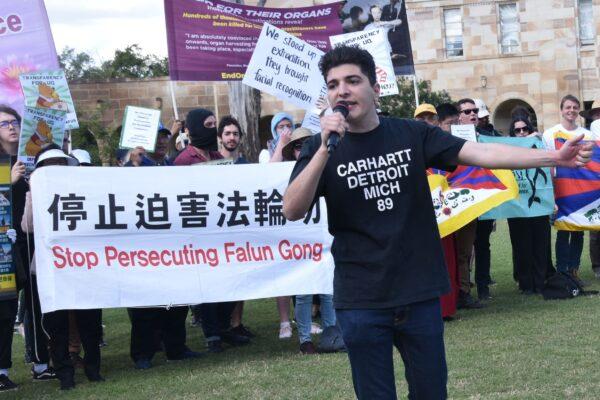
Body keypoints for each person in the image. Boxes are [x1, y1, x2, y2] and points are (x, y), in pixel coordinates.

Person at [282, 45, 592, 400]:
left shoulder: (412, 134)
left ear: (375, 88)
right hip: (362, 298)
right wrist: (324, 148)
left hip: (418, 292)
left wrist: (554, 156)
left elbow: (483, 154)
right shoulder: (322, 147)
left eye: (353, 81)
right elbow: (292, 208)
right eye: (334, 84)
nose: (343, 91)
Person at [22, 146, 103, 390]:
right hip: (51, 266)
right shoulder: (34, 192)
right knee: (56, 324)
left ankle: (93, 368)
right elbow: (27, 226)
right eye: (50, 164)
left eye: (61, 162)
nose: (56, 167)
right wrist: (33, 193)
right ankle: (64, 373)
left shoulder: (82, 191)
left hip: (82, 263)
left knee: (89, 319)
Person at [543, 95, 595, 285]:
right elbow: (548, 163)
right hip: (561, 187)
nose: (571, 110)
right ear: (561, 109)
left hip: (582, 188)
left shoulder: (588, 134)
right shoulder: (550, 133)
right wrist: (551, 194)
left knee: (579, 230)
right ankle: (562, 271)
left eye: (574, 107)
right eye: (568, 107)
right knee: (563, 230)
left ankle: (574, 271)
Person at [506, 117, 553, 294]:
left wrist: (537, 138)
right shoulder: (507, 150)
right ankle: (526, 284)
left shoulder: (539, 147)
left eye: (524, 129)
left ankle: (541, 281)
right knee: (521, 245)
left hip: (539, 204)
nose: (522, 133)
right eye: (517, 130)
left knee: (541, 243)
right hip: (517, 206)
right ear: (512, 134)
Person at [454, 98, 485, 307]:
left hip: (478, 201)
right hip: (457, 202)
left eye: (475, 111)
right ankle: (462, 292)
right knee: (461, 251)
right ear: (459, 117)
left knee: (473, 248)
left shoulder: (484, 139)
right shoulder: (449, 139)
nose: (473, 114)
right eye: (467, 111)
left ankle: (471, 287)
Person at [580, 101, 600, 279]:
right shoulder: (586, 137)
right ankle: (597, 265)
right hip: (593, 185)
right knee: (595, 229)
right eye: (596, 113)